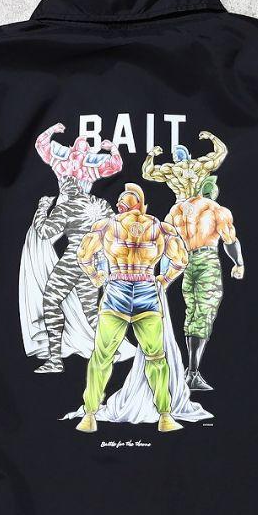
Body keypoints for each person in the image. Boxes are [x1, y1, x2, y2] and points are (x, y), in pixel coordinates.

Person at [74, 183, 188, 433]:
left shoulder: (106, 226)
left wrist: (95, 276)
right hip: (146, 290)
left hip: (117, 290)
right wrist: (165, 280)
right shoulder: (160, 228)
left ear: (123, 206)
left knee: (102, 357)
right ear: (141, 206)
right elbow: (181, 259)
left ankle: (90, 415)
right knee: (156, 358)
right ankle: (165, 416)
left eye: (120, 203)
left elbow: (83, 255)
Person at [21, 123, 122, 373]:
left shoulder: (65, 205)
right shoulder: (100, 203)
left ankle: (55, 359)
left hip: (74, 258)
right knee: (91, 311)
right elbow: (114, 229)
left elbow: (45, 232)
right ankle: (110, 351)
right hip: (93, 261)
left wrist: (42, 209)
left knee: (51, 300)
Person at [165, 176, 244, 390]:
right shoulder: (216, 209)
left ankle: (190, 371)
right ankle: (193, 373)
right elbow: (230, 240)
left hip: (187, 262)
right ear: (212, 192)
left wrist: (167, 272)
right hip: (207, 261)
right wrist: (238, 263)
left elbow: (166, 238)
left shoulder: (178, 210)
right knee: (204, 313)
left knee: (192, 313)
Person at [142, 130, 227, 199]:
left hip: (183, 205)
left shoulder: (171, 170)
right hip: (195, 204)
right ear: (189, 155)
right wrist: (211, 136)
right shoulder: (201, 165)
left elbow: (147, 173)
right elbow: (222, 151)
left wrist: (151, 154)